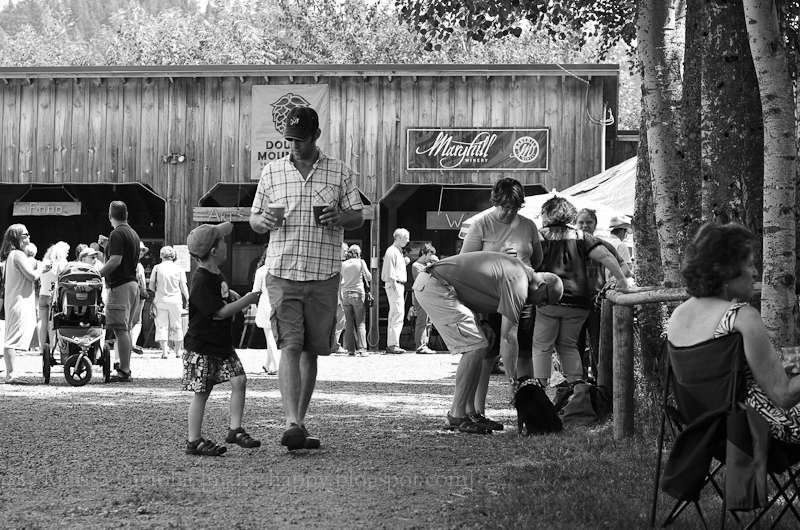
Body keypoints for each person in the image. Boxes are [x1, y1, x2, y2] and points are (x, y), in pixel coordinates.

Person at [249, 105, 364, 451]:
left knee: (312, 350)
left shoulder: (340, 172)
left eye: (300, 139)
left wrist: (341, 216)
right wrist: (263, 222)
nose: (294, 146)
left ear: (316, 136)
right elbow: (254, 218)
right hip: (282, 270)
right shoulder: (272, 172)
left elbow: (358, 217)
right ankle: (291, 422)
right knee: (290, 345)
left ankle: (299, 420)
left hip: (324, 272)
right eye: (289, 139)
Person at [668, 222, 800, 444]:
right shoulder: (742, 317)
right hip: (756, 428)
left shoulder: (677, 317)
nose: (757, 273)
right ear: (726, 272)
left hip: (706, 428)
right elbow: (783, 396)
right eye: (750, 265)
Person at [413, 252, 563, 433]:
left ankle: (470, 413)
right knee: (476, 346)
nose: (540, 306)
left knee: (482, 343)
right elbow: (508, 336)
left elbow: (477, 286)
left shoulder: (519, 272)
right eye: (545, 301)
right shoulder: (519, 284)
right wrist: (512, 381)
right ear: (542, 285)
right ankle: (457, 415)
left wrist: (482, 321)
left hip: (438, 284)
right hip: (435, 285)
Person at [460, 177, 544, 430]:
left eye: (514, 207)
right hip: (489, 296)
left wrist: (520, 266)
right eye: (504, 206)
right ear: (495, 202)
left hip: (521, 294)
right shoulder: (481, 225)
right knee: (488, 351)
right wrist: (496, 260)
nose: (508, 212)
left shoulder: (528, 225)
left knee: (525, 350)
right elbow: (466, 263)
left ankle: (528, 411)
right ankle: (477, 410)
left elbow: (537, 260)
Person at [183, 221, 262, 456]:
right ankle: (194, 440)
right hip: (202, 347)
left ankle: (235, 429)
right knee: (202, 392)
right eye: (223, 242)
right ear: (214, 252)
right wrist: (246, 300)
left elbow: (223, 293)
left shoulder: (215, 272)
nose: (226, 244)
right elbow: (219, 312)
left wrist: (234, 294)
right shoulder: (202, 279)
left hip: (222, 345)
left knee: (239, 380)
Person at [532, 197, 629, 386]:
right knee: (568, 346)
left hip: (549, 299)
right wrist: (621, 280)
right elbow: (606, 256)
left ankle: (540, 394)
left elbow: (523, 260)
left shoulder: (540, 235)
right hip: (579, 302)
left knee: (542, 347)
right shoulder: (581, 237)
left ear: (546, 214)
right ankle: (578, 393)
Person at [576, 208, 632, 378]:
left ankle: (601, 384)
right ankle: (577, 385)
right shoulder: (568, 245)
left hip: (597, 302)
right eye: (581, 222)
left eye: (589, 222)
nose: (585, 226)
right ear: (574, 224)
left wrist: (613, 282)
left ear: (595, 225)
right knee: (573, 347)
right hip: (574, 304)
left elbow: (624, 267)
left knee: (599, 345)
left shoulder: (602, 245)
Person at [99, 201, 141, 383]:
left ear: (110, 215)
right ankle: (124, 367)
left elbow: (115, 260)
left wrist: (95, 274)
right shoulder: (132, 233)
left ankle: (124, 370)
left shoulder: (117, 233)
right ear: (127, 215)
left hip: (121, 285)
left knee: (120, 328)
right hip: (133, 284)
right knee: (126, 329)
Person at [2, 224, 48, 384]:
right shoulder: (18, 254)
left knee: (11, 337)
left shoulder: (12, 255)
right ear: (16, 237)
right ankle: (11, 374)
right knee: (12, 339)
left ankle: (11, 373)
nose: (29, 237)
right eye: (25, 235)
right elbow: (32, 276)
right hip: (19, 301)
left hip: (15, 300)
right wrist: (42, 266)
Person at [150, 245, 189, 359]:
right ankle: (177, 352)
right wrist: (188, 299)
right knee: (177, 325)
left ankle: (165, 352)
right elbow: (183, 287)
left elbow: (151, 286)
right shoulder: (179, 269)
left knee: (162, 325)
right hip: (176, 301)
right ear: (173, 256)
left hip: (161, 300)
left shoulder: (157, 268)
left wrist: (159, 290)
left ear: (161, 256)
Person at [38, 241, 70, 358]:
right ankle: (52, 347)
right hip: (53, 296)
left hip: (42, 295)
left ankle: (42, 349)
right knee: (52, 323)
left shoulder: (44, 263)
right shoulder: (61, 264)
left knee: (43, 323)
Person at [382, 228, 410, 354]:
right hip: (395, 284)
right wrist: (393, 281)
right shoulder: (392, 251)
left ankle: (392, 343)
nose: (408, 240)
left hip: (395, 283)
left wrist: (403, 263)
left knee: (395, 314)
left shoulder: (395, 251)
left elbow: (392, 266)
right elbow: (389, 268)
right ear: (399, 238)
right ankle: (393, 344)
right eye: (406, 238)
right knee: (397, 313)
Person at [340, 244, 371, 356]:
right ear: (358, 253)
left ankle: (351, 350)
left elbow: (340, 281)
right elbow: (369, 277)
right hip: (357, 294)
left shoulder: (342, 264)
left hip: (346, 295)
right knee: (360, 323)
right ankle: (362, 349)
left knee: (348, 324)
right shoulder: (361, 262)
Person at [252, 247, 279, 374]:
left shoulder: (261, 271)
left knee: (269, 336)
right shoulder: (280, 269)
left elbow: (255, 290)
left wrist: (252, 305)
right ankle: (268, 364)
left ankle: (276, 364)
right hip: (279, 303)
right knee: (271, 335)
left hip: (265, 303)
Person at [411, 243, 438, 354]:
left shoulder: (428, 264)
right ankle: (420, 346)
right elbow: (425, 277)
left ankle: (425, 344)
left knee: (427, 322)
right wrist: (434, 264)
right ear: (424, 253)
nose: (431, 257)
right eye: (430, 254)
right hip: (420, 295)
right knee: (422, 320)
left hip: (428, 295)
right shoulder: (416, 265)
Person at [130, 241, 149, 355]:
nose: (141, 252)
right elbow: (142, 282)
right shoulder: (139, 266)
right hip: (137, 295)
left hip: (125, 294)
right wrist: (144, 293)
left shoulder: (124, 262)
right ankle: (132, 343)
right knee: (137, 321)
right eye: (140, 250)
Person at [331, 242, 348, 354]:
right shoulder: (339, 265)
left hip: (332, 297)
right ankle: (335, 345)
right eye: (344, 251)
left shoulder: (331, 263)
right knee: (340, 323)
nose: (346, 253)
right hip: (337, 298)